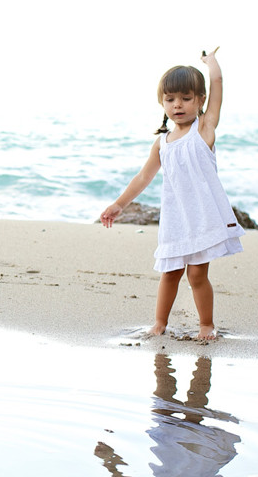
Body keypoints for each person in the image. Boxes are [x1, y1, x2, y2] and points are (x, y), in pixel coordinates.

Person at [100, 48, 244, 340]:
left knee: (196, 275)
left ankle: (206, 325)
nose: (178, 105)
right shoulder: (162, 143)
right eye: (170, 99)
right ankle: (159, 323)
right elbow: (144, 177)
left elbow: (217, 85)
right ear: (162, 102)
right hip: (176, 219)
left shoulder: (204, 128)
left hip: (201, 217)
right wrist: (119, 204)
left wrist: (210, 63)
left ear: (200, 100)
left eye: (186, 98)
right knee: (170, 273)